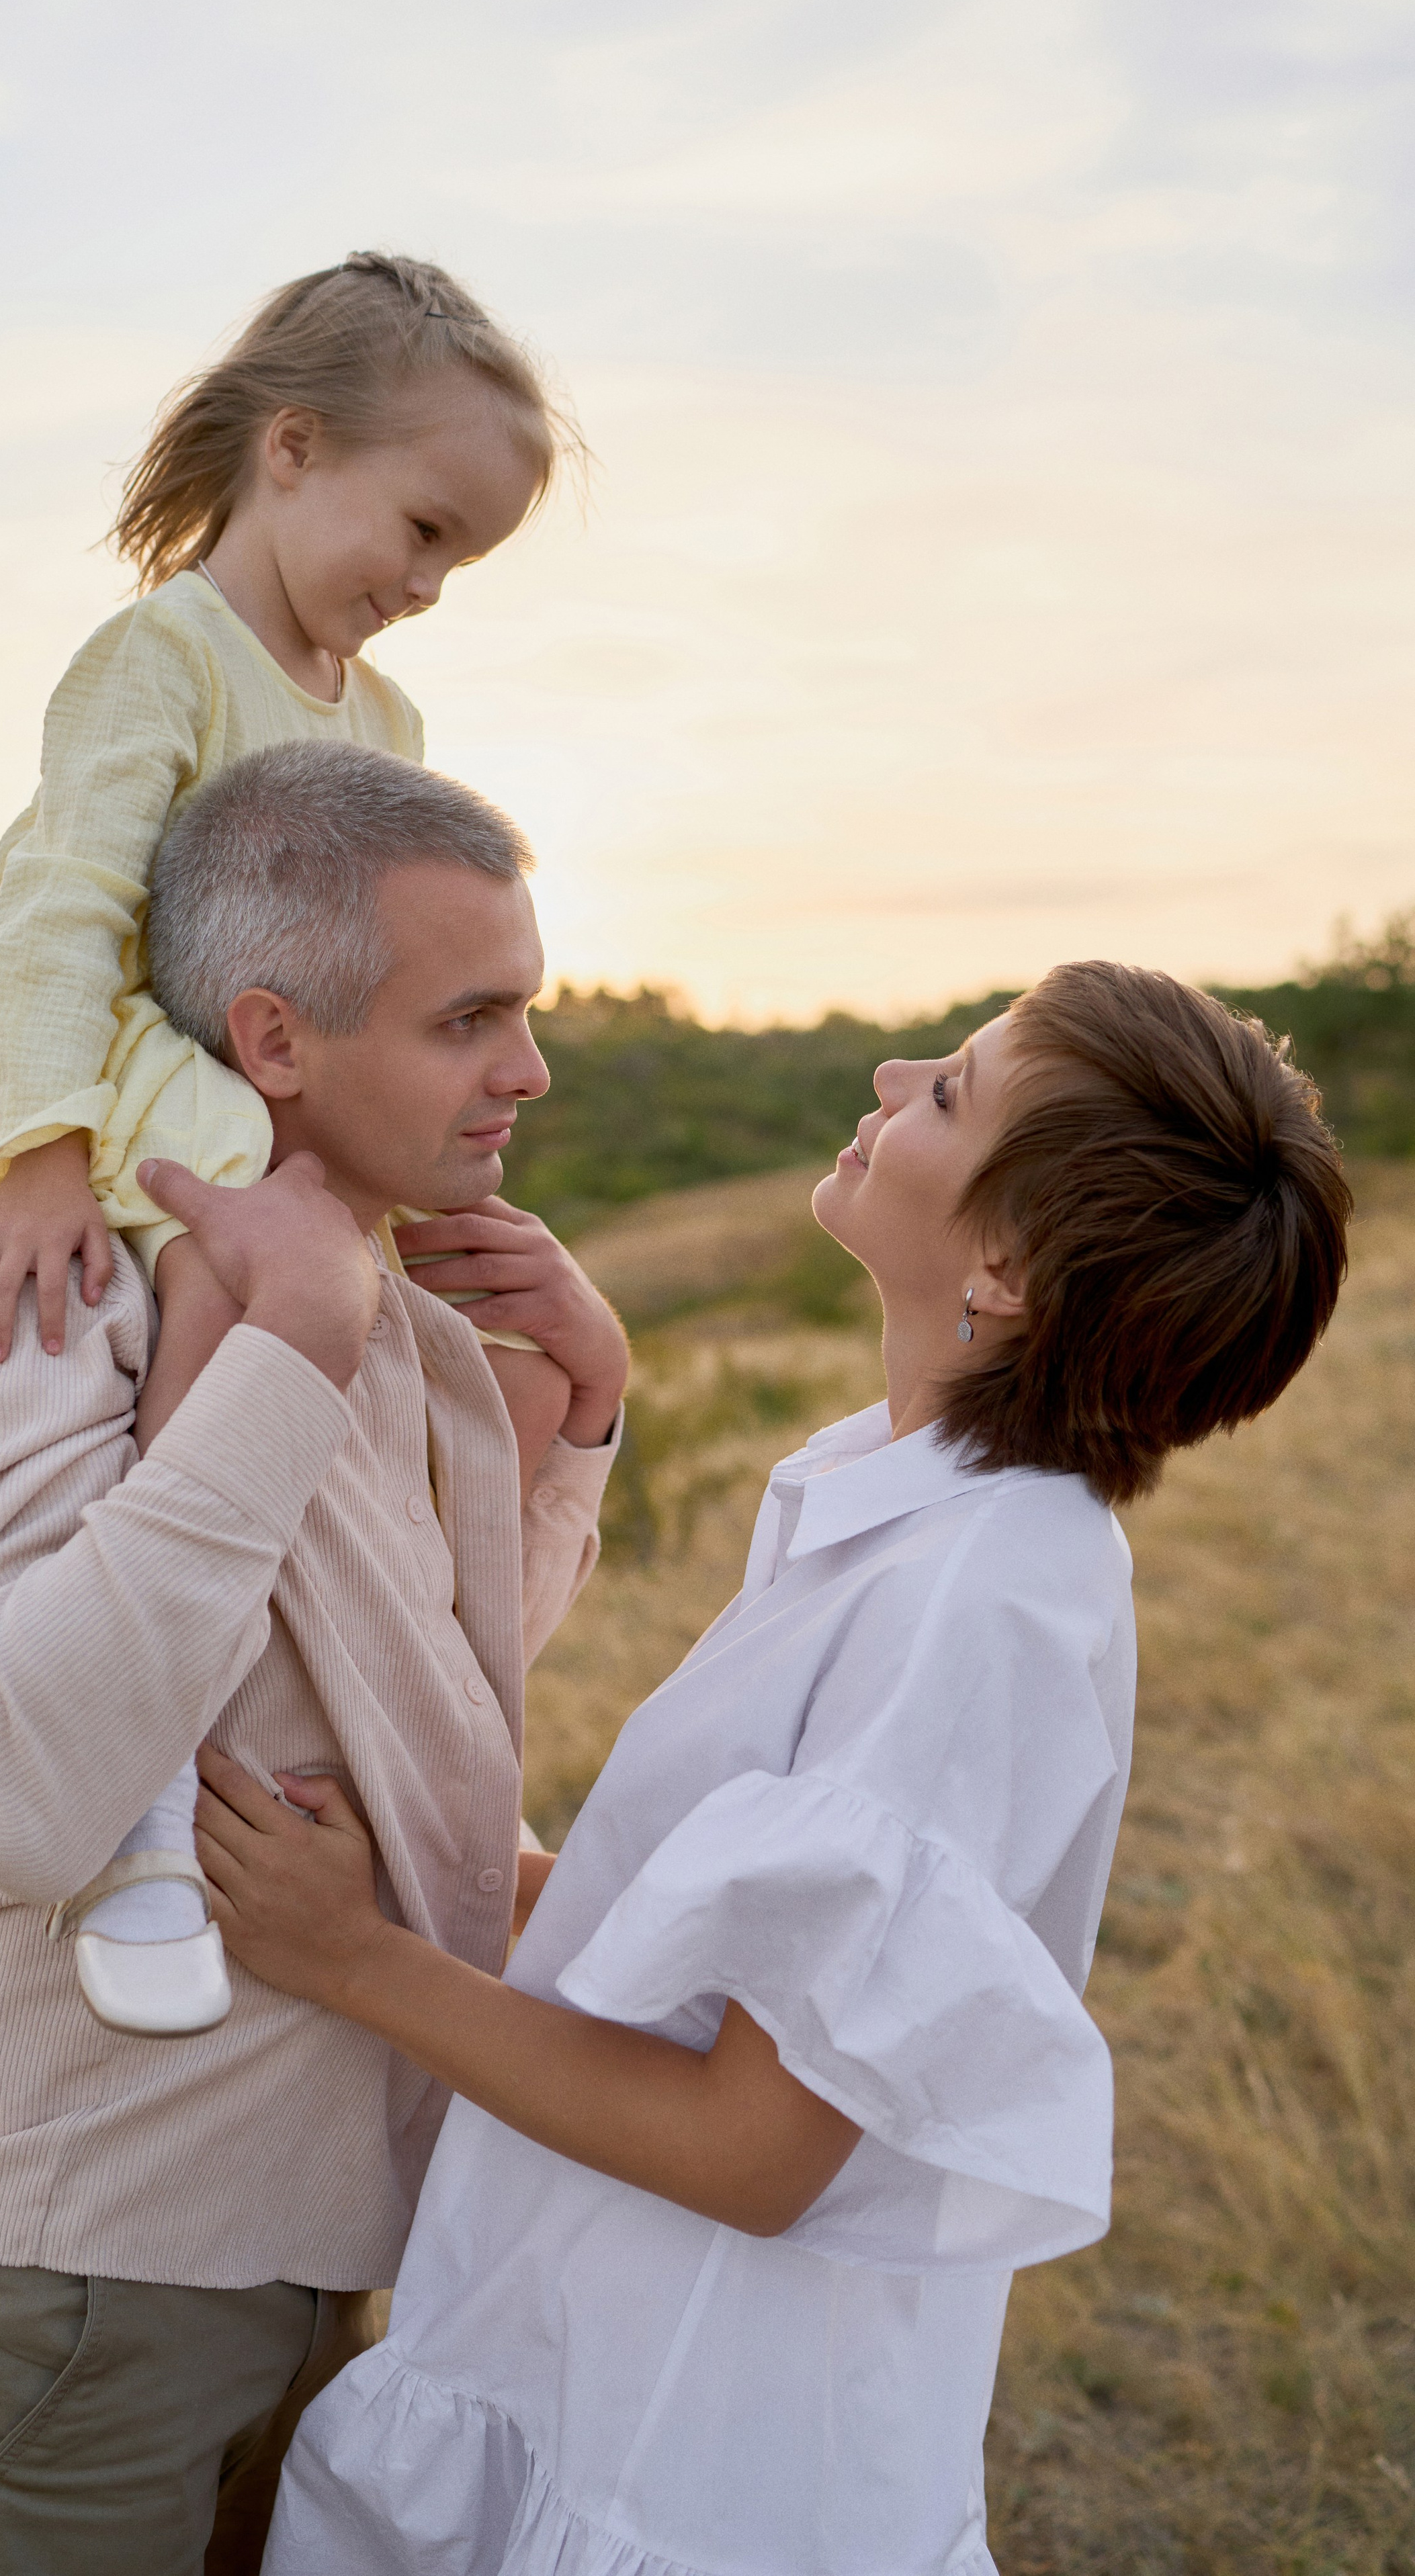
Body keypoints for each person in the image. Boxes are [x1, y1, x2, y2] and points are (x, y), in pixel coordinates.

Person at [192, 961, 1352, 2576]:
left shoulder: (975, 1605)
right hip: (586, 2352)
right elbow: (732, 1978)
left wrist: (352, 1960)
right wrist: (450, 1865)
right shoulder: (908, 1510)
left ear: (1008, 1266)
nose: (886, 1078)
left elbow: (751, 2152)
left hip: (685, 2444)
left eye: (947, 1090)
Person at [0, 744, 628, 2576]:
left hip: (315, 2254)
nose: (528, 1069)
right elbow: (30, 1785)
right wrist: (290, 1351)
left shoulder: (374, 1314)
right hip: (79, 2258)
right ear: (273, 1040)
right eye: (471, 1019)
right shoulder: (34, 1304)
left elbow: (398, 1701)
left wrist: (577, 1417)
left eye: (528, 1010)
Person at [0, 249, 581, 2033]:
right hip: (171, 1076)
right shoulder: (161, 654)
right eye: (423, 530)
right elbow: (61, 900)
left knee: (359, 1275)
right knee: (253, 1215)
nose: (428, 586)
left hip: (293, 1097)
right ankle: (147, 1767)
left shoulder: (387, 720)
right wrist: (40, 1153)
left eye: (462, 563)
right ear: (292, 448)